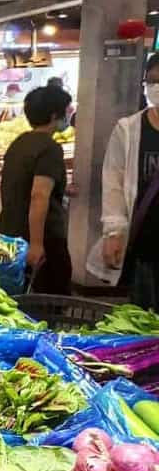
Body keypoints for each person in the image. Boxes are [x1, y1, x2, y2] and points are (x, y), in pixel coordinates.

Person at [90, 53, 159, 308]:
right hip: (145, 243)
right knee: (143, 316)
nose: (156, 87)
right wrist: (114, 231)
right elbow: (113, 182)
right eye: (152, 81)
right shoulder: (129, 129)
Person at [0, 84, 73, 294]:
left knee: (16, 296)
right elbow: (39, 195)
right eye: (66, 111)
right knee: (48, 298)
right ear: (54, 115)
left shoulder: (19, 143)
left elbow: (24, 182)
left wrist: (63, 188)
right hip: (42, 238)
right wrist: (37, 244)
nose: (69, 116)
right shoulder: (49, 148)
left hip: (11, 232)